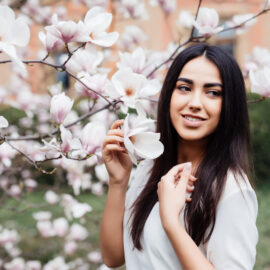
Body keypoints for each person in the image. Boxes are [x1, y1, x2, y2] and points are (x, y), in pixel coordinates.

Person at [100, 43, 258, 270]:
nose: (194, 103)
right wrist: (118, 182)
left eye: (213, 93)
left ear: (229, 106)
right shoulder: (151, 168)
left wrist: (172, 223)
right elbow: (113, 257)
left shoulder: (231, 190)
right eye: (184, 88)